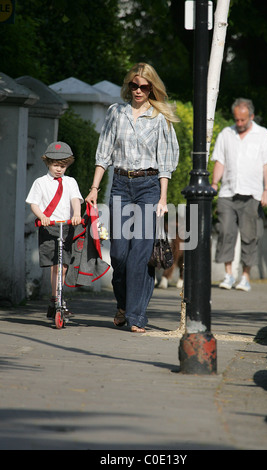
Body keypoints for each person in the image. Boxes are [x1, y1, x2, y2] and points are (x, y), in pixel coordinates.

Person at [85, 62, 179, 332]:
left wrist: (162, 198)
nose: (138, 90)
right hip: (121, 186)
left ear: (152, 88)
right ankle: (124, 305)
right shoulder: (116, 112)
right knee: (119, 254)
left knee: (140, 253)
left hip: (149, 187)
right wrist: (94, 188)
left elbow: (166, 161)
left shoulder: (160, 117)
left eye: (144, 86)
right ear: (128, 86)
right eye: (134, 85)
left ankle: (136, 317)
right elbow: (103, 152)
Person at [211, 98, 267, 292]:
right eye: (236, 120)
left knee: (250, 235)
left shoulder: (263, 135)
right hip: (228, 192)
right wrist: (214, 184)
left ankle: (245, 276)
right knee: (225, 232)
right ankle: (229, 275)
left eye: (243, 120)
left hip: (252, 193)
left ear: (251, 116)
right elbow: (220, 162)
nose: (239, 124)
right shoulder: (226, 133)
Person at [26, 141, 83, 318]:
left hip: (66, 226)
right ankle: (55, 299)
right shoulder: (40, 182)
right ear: (48, 163)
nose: (59, 169)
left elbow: (75, 199)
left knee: (63, 266)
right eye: (55, 165)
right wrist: (42, 216)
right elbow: (33, 203)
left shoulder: (70, 182)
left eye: (63, 166)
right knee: (54, 266)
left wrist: (77, 214)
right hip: (49, 227)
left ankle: (58, 299)